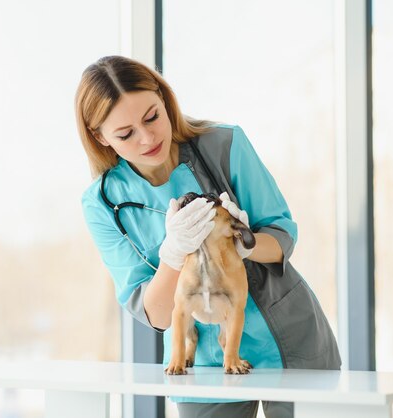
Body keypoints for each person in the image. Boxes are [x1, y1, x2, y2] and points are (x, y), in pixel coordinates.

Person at [75, 55, 341, 418]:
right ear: (99, 136)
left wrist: (242, 245)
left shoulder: (224, 144)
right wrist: (172, 255)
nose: (147, 137)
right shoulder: (102, 203)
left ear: (164, 100)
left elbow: (282, 239)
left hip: (289, 341)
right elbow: (156, 313)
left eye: (152, 116)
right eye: (125, 133)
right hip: (201, 363)